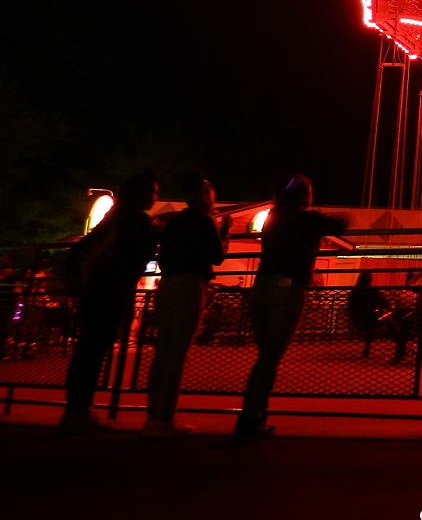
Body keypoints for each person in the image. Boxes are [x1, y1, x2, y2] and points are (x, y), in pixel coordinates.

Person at [234, 175, 348, 437]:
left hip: (261, 286)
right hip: (289, 287)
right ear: (305, 196)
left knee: (264, 357)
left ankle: (248, 414)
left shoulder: (273, 217)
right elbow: (340, 224)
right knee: (270, 358)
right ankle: (252, 418)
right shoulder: (307, 219)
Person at [59, 172, 159, 435]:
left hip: (94, 289)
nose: (155, 198)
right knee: (94, 349)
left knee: (87, 349)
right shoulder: (138, 221)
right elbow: (139, 255)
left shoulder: (113, 218)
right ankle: (80, 412)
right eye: (152, 192)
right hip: (112, 290)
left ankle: (75, 410)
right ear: (141, 195)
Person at [142, 170, 230, 438]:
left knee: (162, 355)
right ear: (205, 197)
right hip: (191, 286)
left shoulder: (175, 222)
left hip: (166, 286)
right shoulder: (205, 220)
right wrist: (224, 232)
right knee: (177, 357)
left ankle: (151, 418)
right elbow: (217, 257)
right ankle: (167, 421)